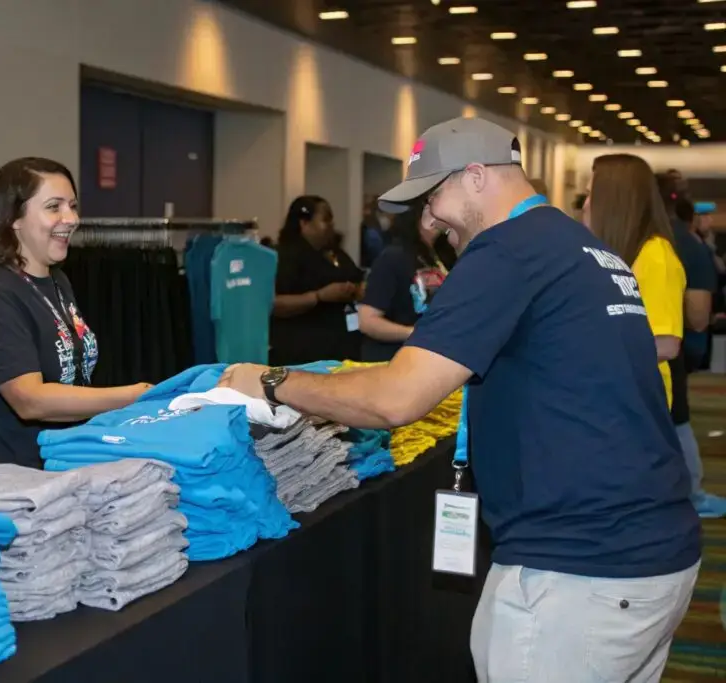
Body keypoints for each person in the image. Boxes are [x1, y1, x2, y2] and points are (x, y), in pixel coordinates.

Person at [220, 117, 700, 682]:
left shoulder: (507, 252)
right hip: (647, 548)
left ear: (476, 177)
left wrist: (271, 381)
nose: (427, 220)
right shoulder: (583, 246)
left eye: (433, 197)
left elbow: (396, 399)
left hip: (582, 566)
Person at [0, 157, 151, 469]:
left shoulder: (58, 281)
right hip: (19, 475)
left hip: (65, 462)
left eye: (72, 206)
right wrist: (132, 396)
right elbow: (29, 400)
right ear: (14, 218)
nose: (71, 218)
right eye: (54, 207)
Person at [583, 154, 685, 410]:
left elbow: (665, 343)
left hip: (634, 408)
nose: (585, 205)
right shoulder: (612, 255)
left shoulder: (655, 256)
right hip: (608, 402)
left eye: (590, 195)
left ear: (613, 202)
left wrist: (583, 354)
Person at [667, 195, 726, 517]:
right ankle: (692, 493)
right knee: (677, 418)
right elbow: (700, 316)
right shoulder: (684, 246)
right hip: (676, 346)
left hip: (664, 347)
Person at [270, 195, 364, 366]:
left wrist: (354, 290)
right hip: (303, 351)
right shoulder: (285, 256)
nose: (331, 225)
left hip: (342, 346)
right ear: (304, 223)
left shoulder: (335, 253)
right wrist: (319, 296)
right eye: (325, 220)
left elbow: (357, 279)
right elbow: (274, 303)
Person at [358, 198, 447, 361]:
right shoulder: (393, 257)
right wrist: (413, 333)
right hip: (394, 358)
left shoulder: (435, 255)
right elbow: (367, 320)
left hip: (427, 355)